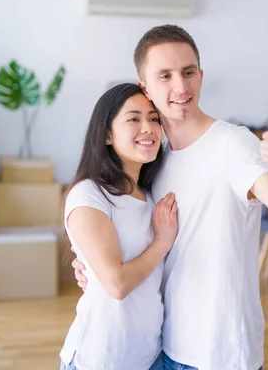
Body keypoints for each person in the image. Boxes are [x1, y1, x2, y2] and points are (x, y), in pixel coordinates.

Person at [72, 25, 268, 370]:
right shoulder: (154, 160)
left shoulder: (233, 143)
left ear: (201, 76)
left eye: (188, 72)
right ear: (146, 87)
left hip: (222, 353)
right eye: (165, 75)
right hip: (164, 346)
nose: (180, 86)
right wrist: (90, 267)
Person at [59, 83, 178, 370]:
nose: (148, 127)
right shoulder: (88, 195)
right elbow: (117, 283)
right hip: (99, 358)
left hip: (149, 356)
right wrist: (162, 242)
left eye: (153, 118)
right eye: (133, 119)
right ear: (107, 135)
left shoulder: (150, 197)